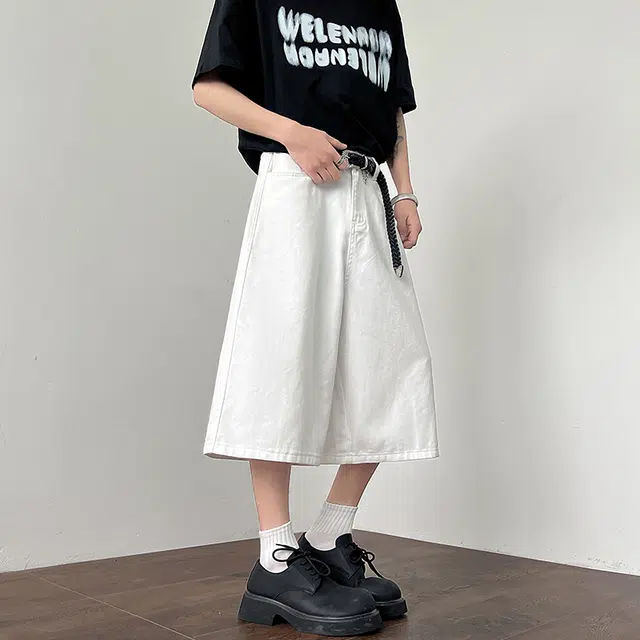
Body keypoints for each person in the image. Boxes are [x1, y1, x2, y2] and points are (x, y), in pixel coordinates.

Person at [192, 0, 438, 635]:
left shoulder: (379, 4)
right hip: (297, 183)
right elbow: (209, 87)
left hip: (368, 189)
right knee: (281, 361)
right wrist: (291, 133)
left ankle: (329, 536)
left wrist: (404, 188)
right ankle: (275, 556)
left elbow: (393, 107)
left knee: (390, 368)